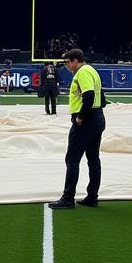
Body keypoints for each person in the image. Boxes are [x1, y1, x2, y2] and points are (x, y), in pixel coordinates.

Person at [49, 49, 106, 210]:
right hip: (97, 117)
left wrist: (80, 117)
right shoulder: (92, 71)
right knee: (93, 159)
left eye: (67, 62)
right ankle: (92, 197)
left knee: (72, 159)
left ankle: (68, 198)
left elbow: (88, 96)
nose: (67, 66)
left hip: (87, 121)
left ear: (75, 60)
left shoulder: (83, 72)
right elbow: (101, 98)